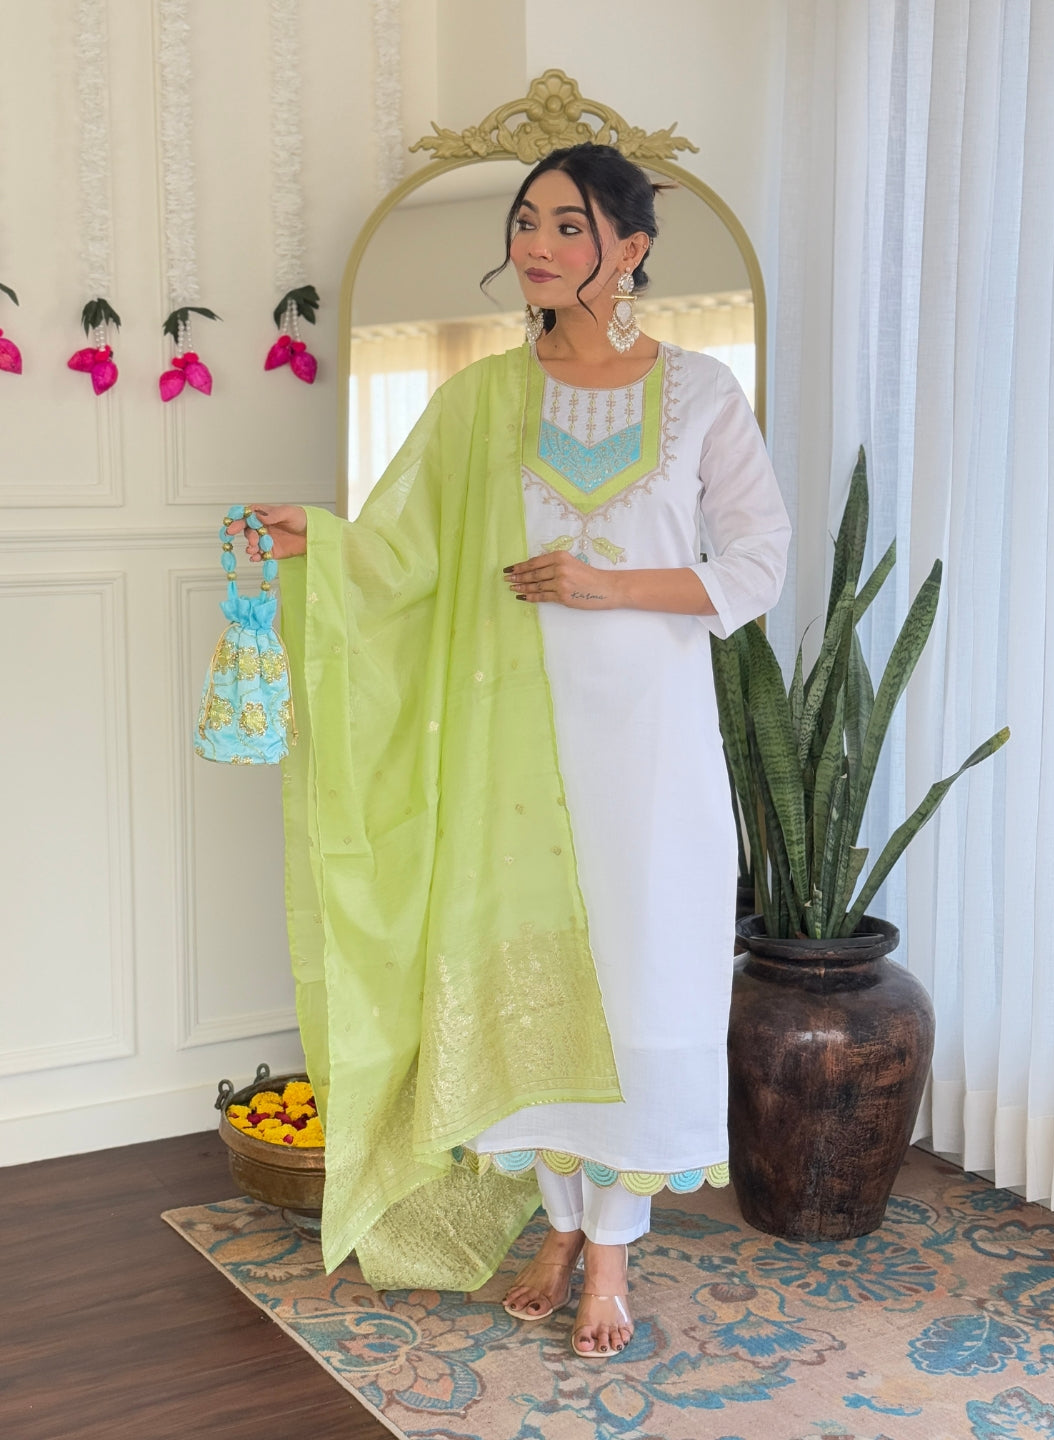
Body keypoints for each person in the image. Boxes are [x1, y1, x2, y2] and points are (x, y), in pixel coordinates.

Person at [231, 143, 790, 1360]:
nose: (536, 243)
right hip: (507, 753)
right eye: (527, 221)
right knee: (530, 987)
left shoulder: (701, 395)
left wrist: (607, 586)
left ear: (631, 248)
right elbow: (405, 552)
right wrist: (320, 542)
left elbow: (757, 566)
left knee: (638, 988)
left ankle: (613, 1252)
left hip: (650, 752)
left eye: (568, 225)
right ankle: (557, 1228)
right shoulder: (482, 399)